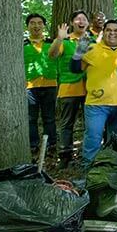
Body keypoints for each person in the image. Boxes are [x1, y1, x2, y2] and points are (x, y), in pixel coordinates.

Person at [70, 20, 117, 167]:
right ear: (103, 32)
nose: (112, 33)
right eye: (108, 30)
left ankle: (113, 167)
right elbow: (75, 69)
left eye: (116, 30)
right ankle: (88, 169)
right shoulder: (92, 49)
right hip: (96, 104)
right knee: (93, 137)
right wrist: (78, 53)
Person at [48, 10, 90, 167]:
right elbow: (52, 54)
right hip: (69, 90)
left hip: (89, 91)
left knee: (89, 124)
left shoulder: (91, 41)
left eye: (84, 19)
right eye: (78, 19)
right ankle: (65, 156)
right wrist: (60, 37)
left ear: (87, 23)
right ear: (72, 23)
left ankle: (87, 154)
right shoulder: (65, 42)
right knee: (67, 124)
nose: (81, 21)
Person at [24, 13, 58, 155]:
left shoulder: (52, 43)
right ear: (28, 26)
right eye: (32, 23)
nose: (36, 26)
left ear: (44, 25)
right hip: (29, 87)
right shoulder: (22, 44)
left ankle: (51, 144)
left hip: (50, 84)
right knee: (31, 118)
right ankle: (33, 144)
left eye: (39, 23)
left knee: (49, 117)